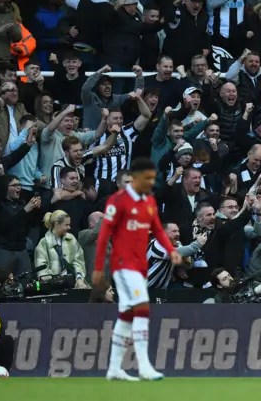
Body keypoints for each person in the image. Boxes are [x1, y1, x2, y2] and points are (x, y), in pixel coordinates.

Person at [91, 158, 181, 381]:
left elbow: (158, 230)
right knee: (142, 309)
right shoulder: (118, 201)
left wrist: (171, 250)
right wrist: (98, 267)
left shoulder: (149, 200)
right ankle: (144, 366)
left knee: (127, 314)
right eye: (148, 178)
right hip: (122, 264)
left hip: (140, 266)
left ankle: (113, 368)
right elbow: (104, 235)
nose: (151, 182)